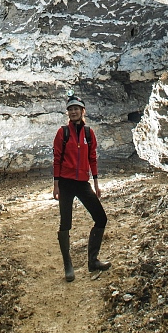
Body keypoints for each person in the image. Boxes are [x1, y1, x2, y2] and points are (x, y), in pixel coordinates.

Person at [52, 95, 110, 281]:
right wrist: (56, 185)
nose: (73, 112)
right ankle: (68, 266)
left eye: (76, 108)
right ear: (68, 113)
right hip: (66, 183)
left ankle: (93, 261)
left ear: (82, 111)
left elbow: (92, 158)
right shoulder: (62, 133)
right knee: (66, 223)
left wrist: (96, 183)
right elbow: (57, 159)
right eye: (70, 109)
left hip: (83, 183)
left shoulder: (88, 133)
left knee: (101, 218)